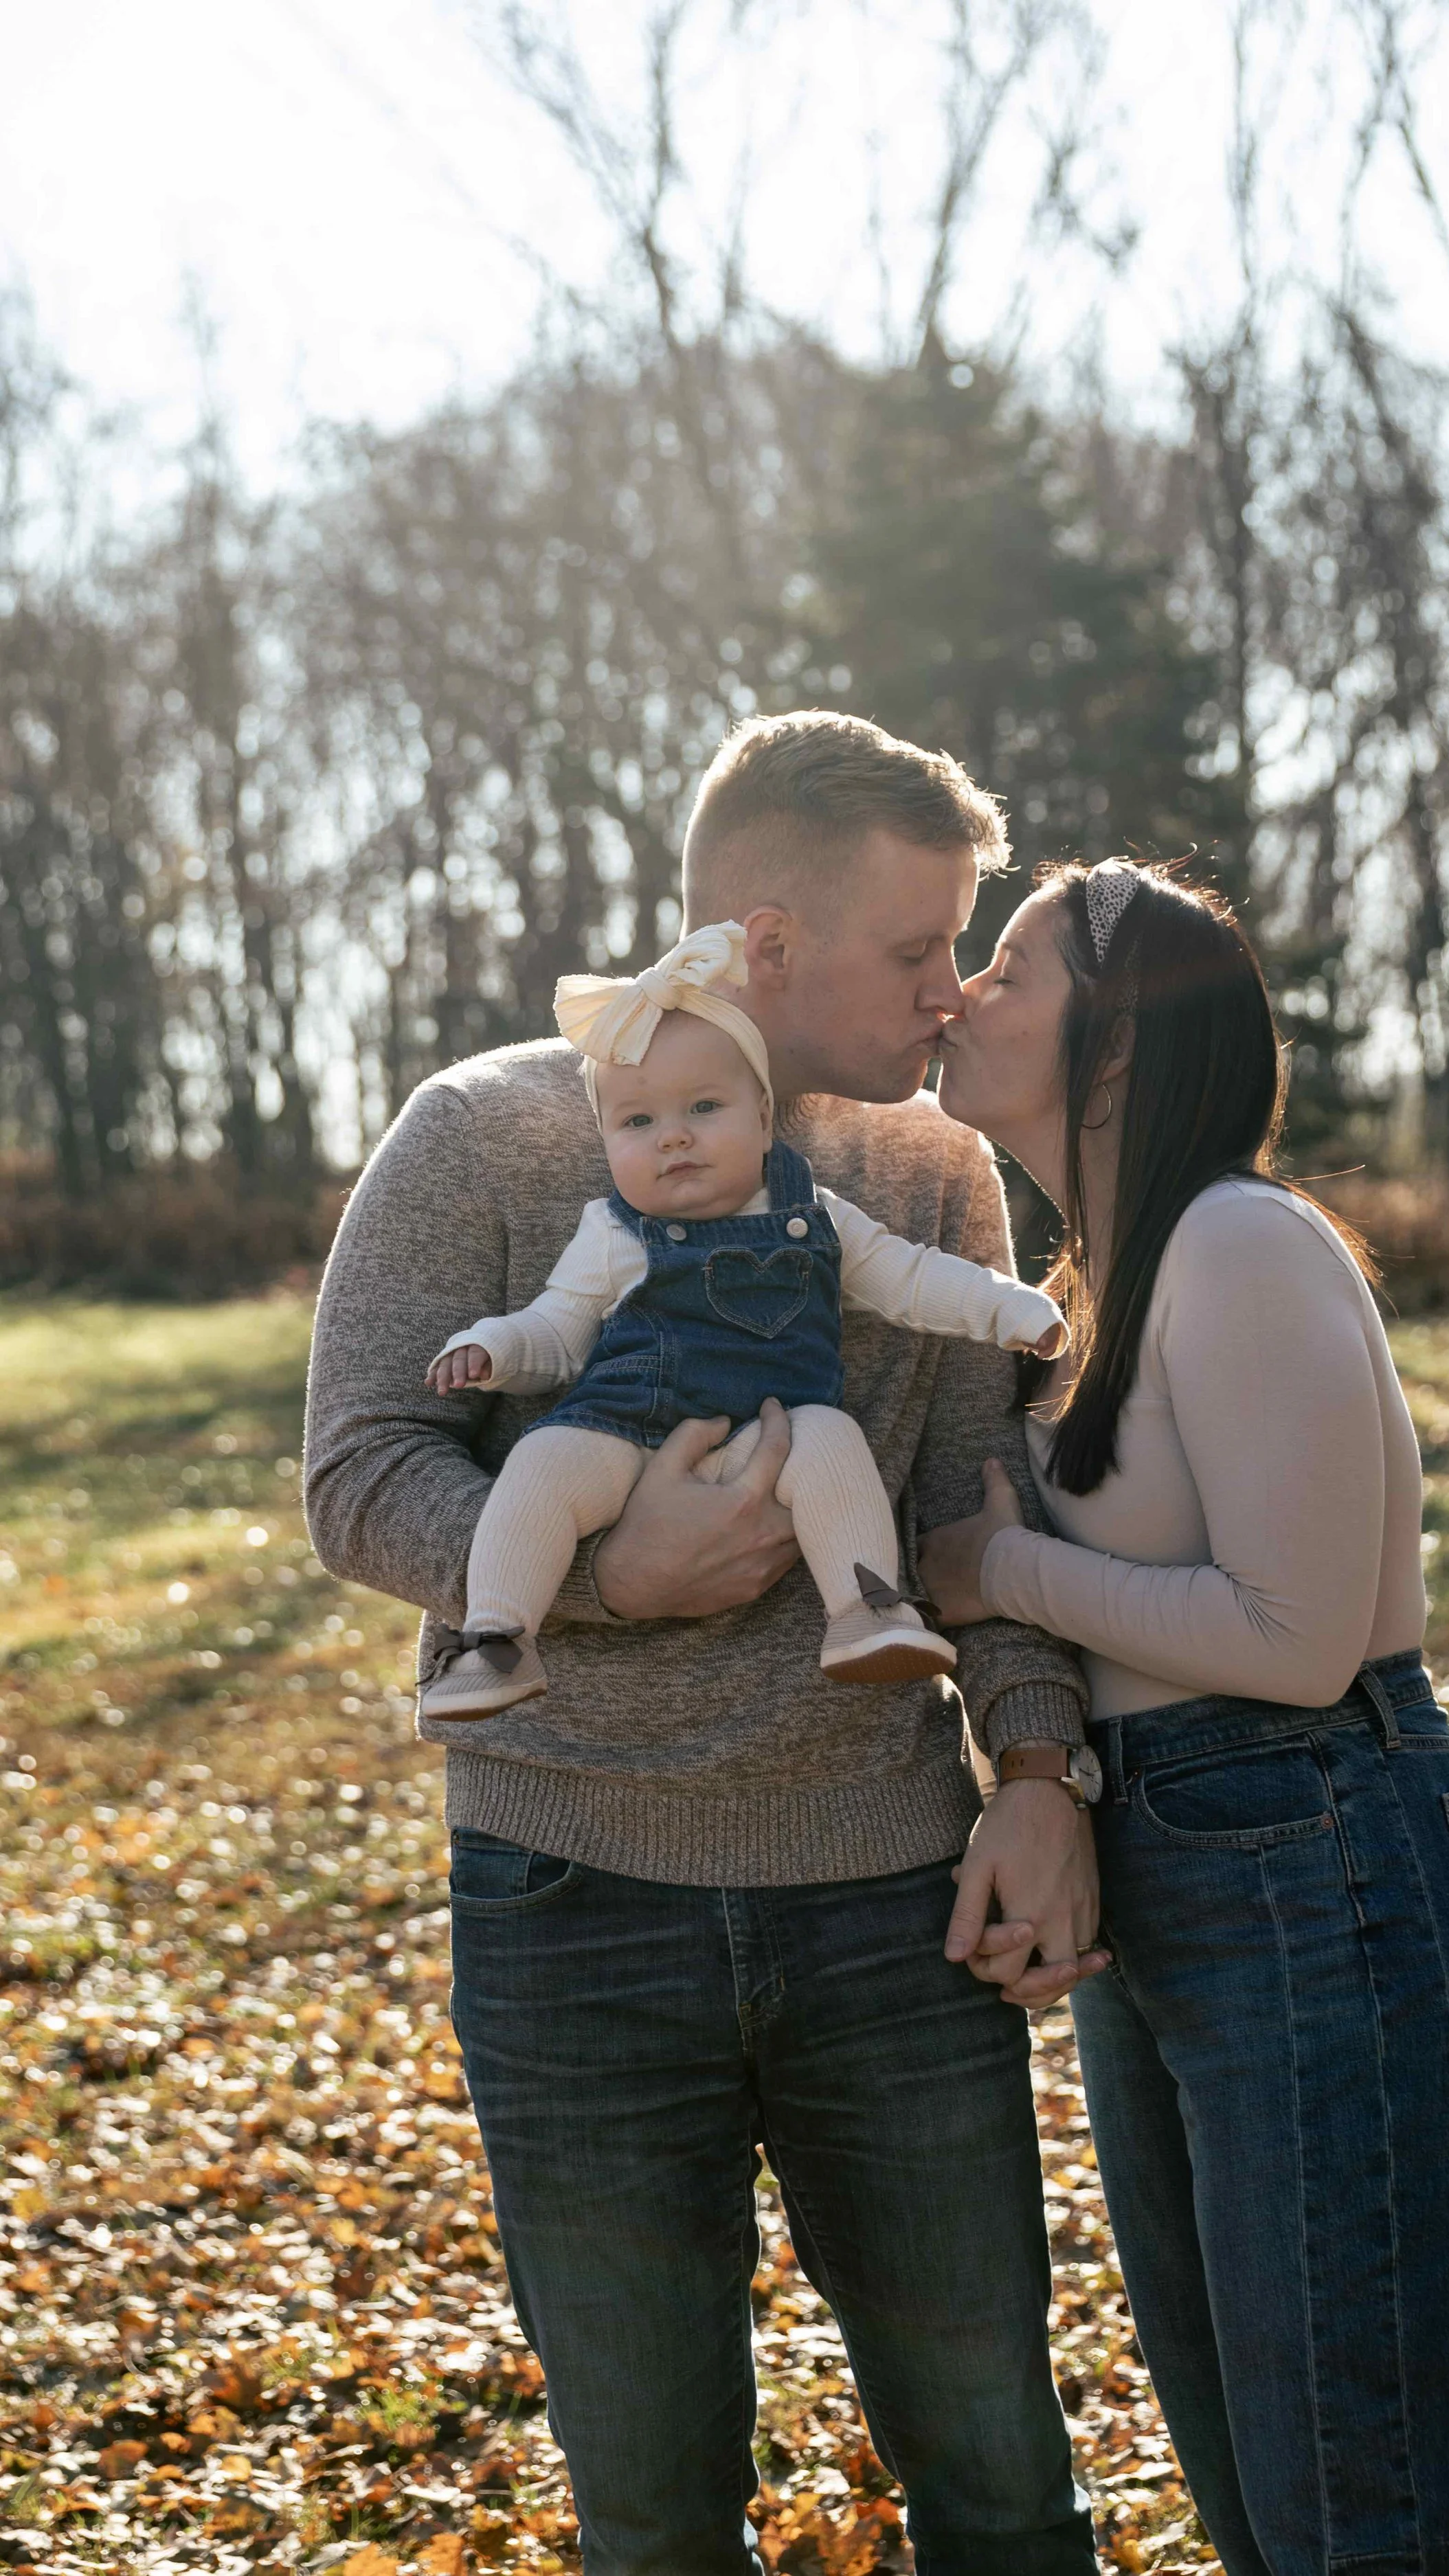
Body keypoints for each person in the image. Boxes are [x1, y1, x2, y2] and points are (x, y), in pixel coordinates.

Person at [302, 712, 1104, 2576]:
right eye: (917, 946)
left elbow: (980, 1512)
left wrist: (1038, 1767)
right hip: (566, 1904)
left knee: (1002, 2488)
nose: (950, 987)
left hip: (889, 1906)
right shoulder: (487, 1130)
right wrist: (612, 1572)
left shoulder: (932, 1174)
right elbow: (357, 1469)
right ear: (769, 941)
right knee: (656, 2517)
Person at [922, 857, 1449, 2576]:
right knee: (1261, 2497)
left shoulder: (1237, 1240)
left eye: (1011, 967)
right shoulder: (1092, 1281)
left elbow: (1295, 1636)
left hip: (1320, 1860)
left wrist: (1000, 1568)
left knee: (1369, 2497)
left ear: (1116, 1044)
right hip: (1175, 1866)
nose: (962, 992)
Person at [415, 919, 1066, 1719]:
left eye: (703, 1106)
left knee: (833, 1440)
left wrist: (1011, 1309)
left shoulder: (813, 1214)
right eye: (638, 1122)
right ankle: (497, 1638)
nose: (674, 1137)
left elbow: (912, 1278)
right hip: (620, 1434)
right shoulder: (614, 1232)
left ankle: (866, 1610)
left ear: (761, 1117)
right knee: (541, 1462)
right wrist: (493, 1347)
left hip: (770, 1434)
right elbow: (556, 1330)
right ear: (606, 1141)